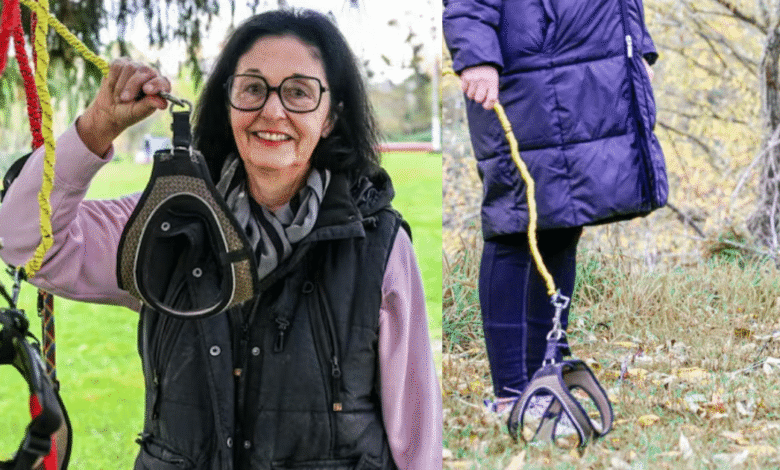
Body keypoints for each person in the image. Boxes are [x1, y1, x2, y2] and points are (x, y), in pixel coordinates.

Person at [0, 8, 441, 469]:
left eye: (298, 92)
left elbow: (417, 440)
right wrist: (97, 127)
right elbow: (24, 242)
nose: (273, 111)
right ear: (228, 101)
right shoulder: (163, 222)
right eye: (253, 88)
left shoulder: (378, 245)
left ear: (330, 117)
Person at [443, 0, 668, 414]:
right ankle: (511, 394)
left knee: (564, 222)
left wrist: (635, 47)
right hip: (522, 69)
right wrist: (475, 56)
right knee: (514, 224)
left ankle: (544, 383)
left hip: (587, 68)